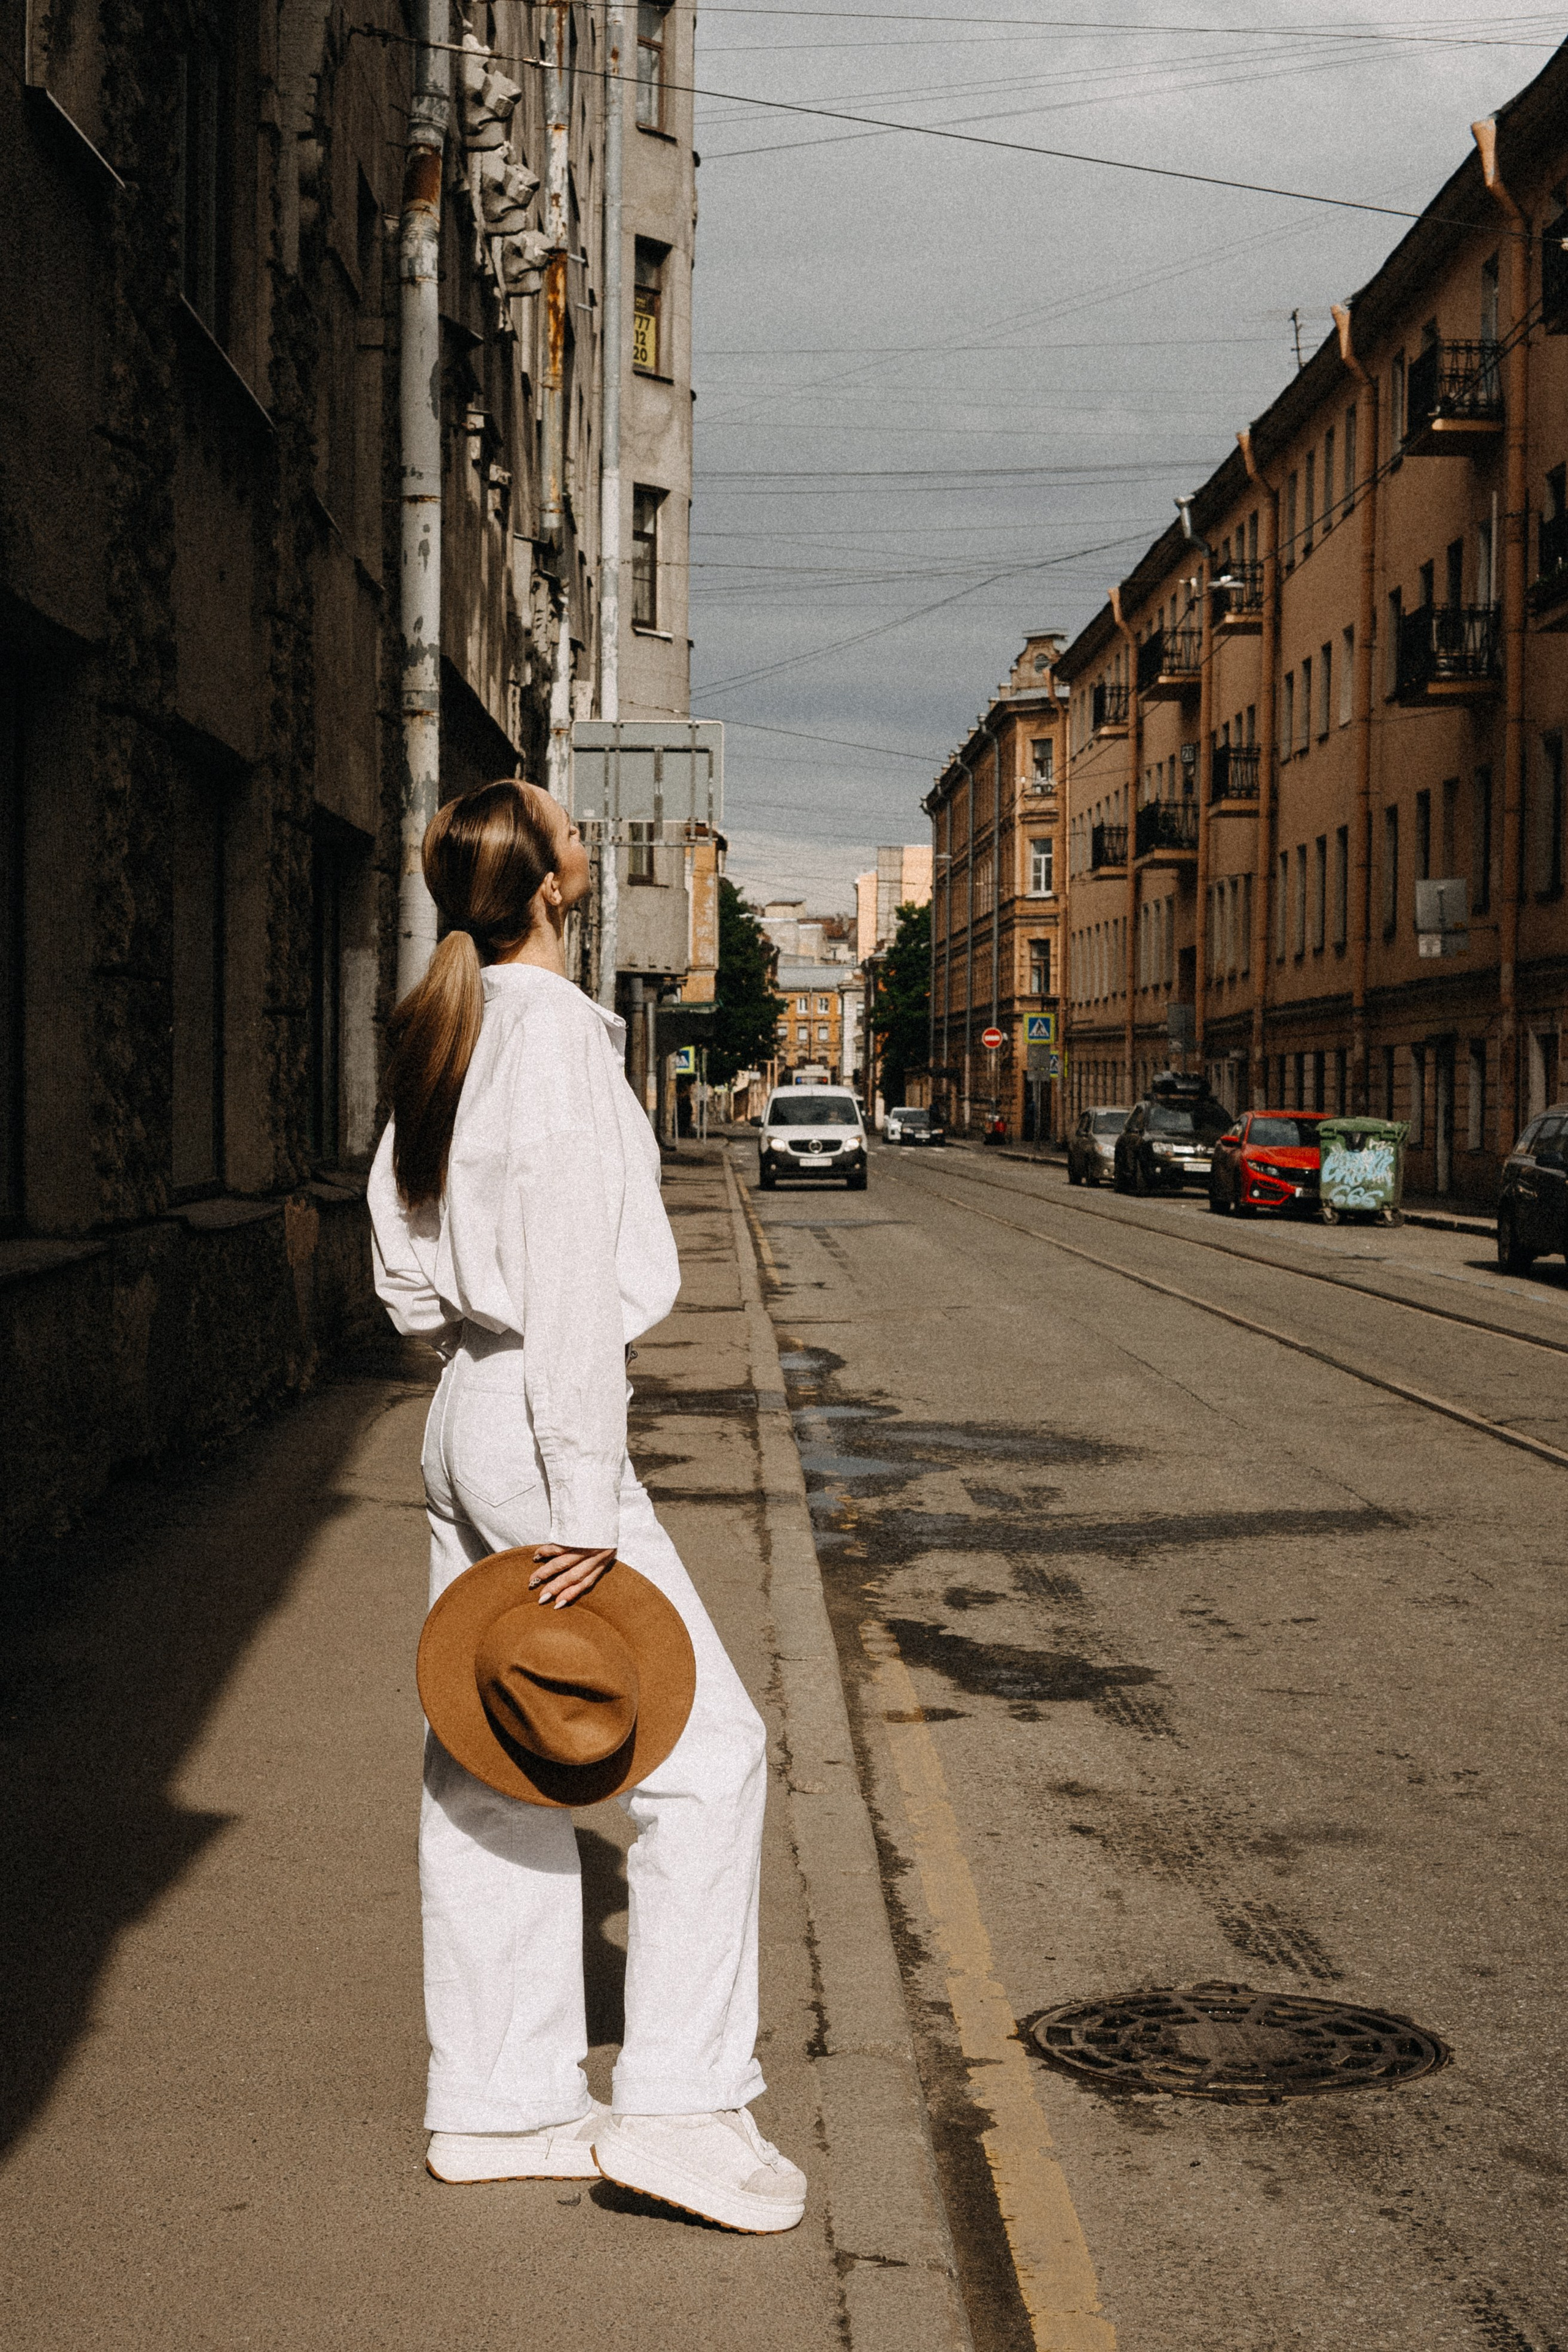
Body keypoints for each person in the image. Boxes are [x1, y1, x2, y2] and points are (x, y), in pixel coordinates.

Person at [367, 778, 805, 2233]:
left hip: (464, 1408)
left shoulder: (452, 1018)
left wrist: (473, 1377)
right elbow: (564, 1292)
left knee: (488, 1758)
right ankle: (677, 2105)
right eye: (571, 827)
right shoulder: (550, 1039)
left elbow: (399, 1260)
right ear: (554, 885)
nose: (584, 838)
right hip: (542, 1427)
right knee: (706, 1755)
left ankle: (499, 2105)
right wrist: (580, 1500)